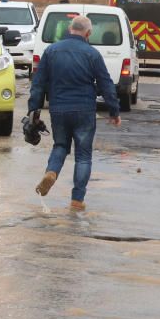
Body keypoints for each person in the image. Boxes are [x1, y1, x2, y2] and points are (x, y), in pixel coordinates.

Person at [28, 15, 120, 211]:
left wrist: (33, 110)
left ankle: (51, 172)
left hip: (58, 109)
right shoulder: (92, 54)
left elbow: (38, 83)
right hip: (84, 110)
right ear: (88, 33)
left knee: (60, 145)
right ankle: (77, 200)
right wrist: (114, 111)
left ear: (70, 29)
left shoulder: (51, 51)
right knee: (83, 156)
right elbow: (106, 84)